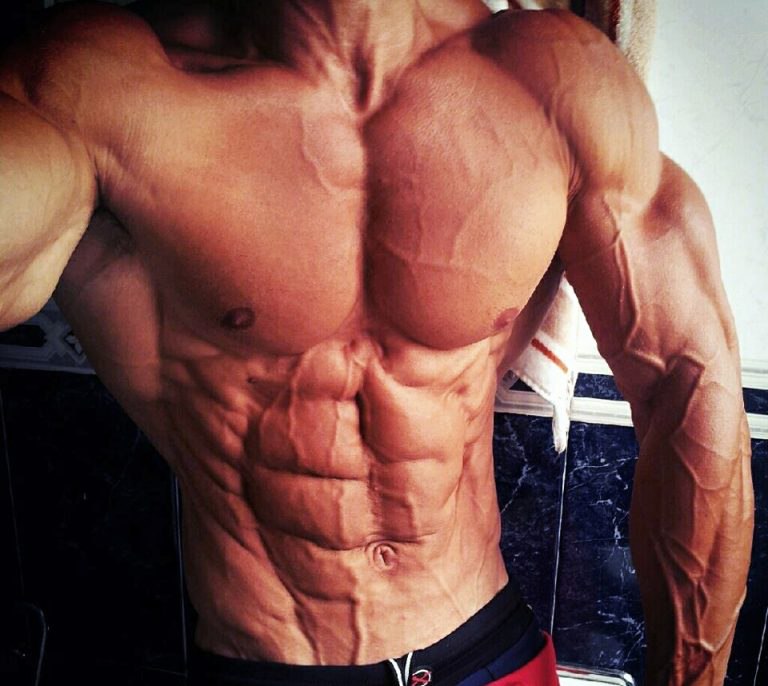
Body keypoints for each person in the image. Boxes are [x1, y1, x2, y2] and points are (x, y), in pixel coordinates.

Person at [0, 1, 754, 684]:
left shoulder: (553, 84)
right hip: (269, 658)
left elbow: (689, 387)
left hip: (487, 645)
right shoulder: (101, 90)